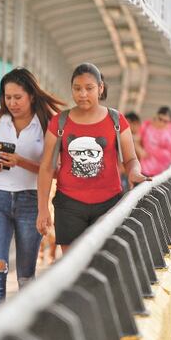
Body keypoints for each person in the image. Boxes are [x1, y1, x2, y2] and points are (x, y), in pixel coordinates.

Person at [37, 63, 148, 250]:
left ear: (100, 88)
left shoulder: (116, 120)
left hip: (109, 204)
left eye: (89, 88)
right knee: (72, 266)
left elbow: (130, 159)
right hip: (69, 205)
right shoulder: (59, 122)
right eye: (77, 88)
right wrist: (42, 209)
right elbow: (46, 167)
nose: (82, 94)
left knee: (103, 262)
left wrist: (135, 173)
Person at [0, 68, 63, 308]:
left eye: (18, 97)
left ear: (31, 96)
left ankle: (23, 329)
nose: (12, 103)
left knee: (26, 274)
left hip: (30, 200)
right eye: (8, 97)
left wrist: (21, 162)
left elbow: (55, 170)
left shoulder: (47, 122)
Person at [140, 106, 171, 177]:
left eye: (165, 121)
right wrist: (140, 151)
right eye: (160, 119)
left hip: (164, 174)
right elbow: (135, 141)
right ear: (156, 116)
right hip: (144, 171)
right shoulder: (146, 124)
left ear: (170, 121)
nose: (162, 122)